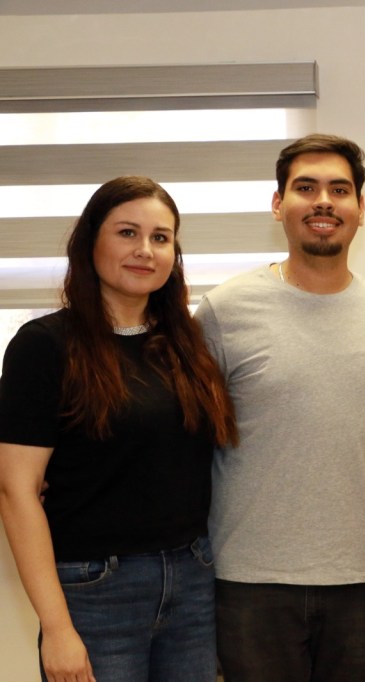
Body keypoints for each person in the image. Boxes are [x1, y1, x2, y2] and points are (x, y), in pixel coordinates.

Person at [194, 133, 365, 682]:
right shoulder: (224, 311)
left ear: (361, 209)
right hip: (250, 583)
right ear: (278, 204)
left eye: (339, 189)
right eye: (306, 187)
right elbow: (180, 432)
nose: (324, 201)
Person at [0, 176, 238, 682]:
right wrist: (58, 629)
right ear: (91, 242)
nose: (145, 251)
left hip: (192, 579)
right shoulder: (44, 345)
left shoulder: (186, 345)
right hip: (92, 589)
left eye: (160, 237)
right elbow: (16, 491)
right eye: (127, 233)